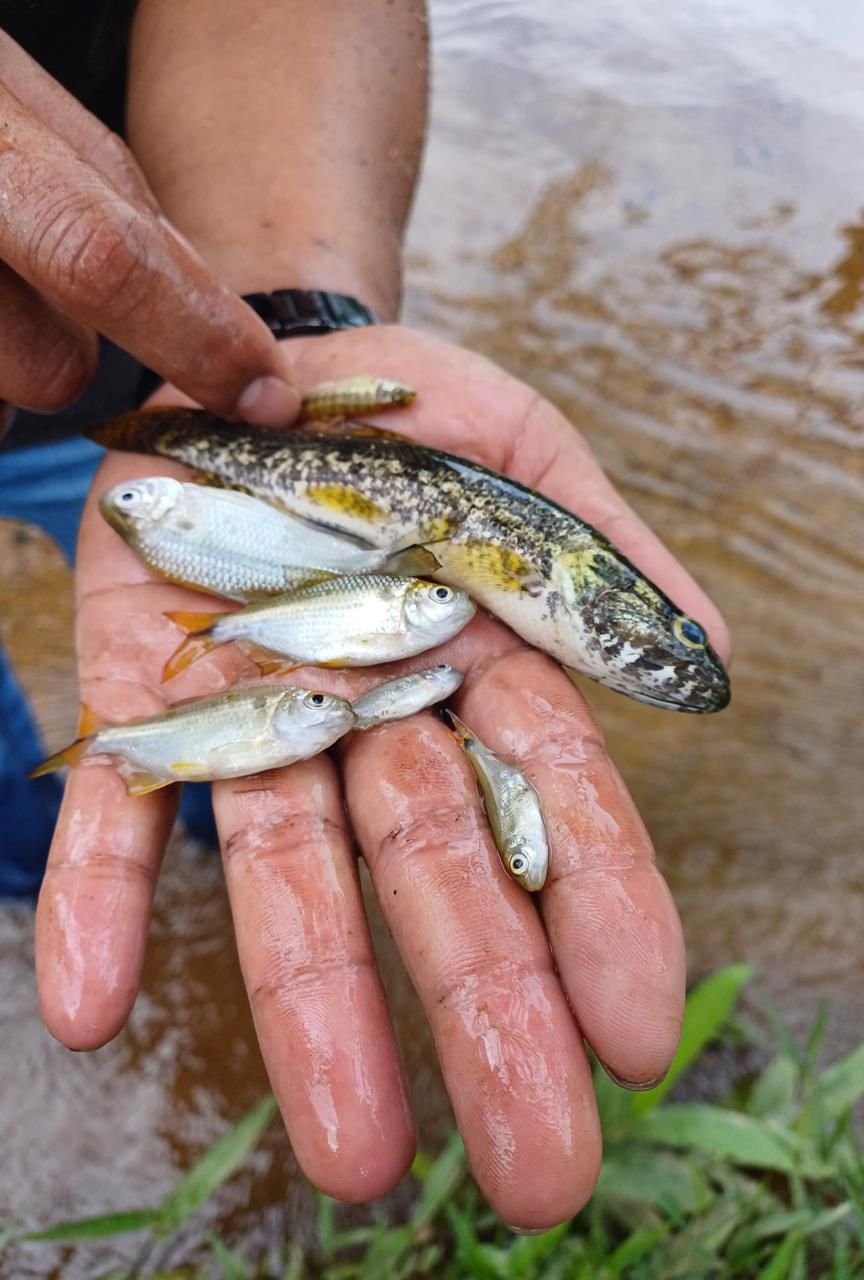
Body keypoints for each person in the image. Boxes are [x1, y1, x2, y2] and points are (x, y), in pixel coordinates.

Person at [0, 1, 731, 1232]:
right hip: (173, 403)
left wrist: (279, 308)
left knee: (169, 731)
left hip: (164, 357)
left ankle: (108, 856)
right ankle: (33, 884)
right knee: (63, 799)